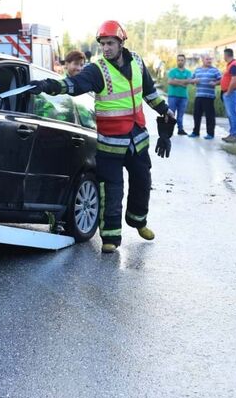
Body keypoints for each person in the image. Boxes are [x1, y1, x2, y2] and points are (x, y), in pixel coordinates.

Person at [27, 20, 175, 254]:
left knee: (142, 182)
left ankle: (139, 222)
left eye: (110, 43)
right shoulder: (97, 70)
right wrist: (48, 85)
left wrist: (165, 111)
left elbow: (149, 93)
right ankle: (111, 237)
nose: (105, 48)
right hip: (110, 143)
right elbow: (74, 85)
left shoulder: (137, 61)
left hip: (137, 139)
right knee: (111, 190)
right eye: (103, 44)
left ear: (121, 43)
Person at [189, 54, 222, 139]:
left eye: (210, 59)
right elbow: (191, 80)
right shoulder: (197, 70)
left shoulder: (215, 70)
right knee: (196, 115)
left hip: (209, 97)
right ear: (202, 60)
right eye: (207, 59)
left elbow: (221, 80)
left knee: (209, 116)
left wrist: (215, 83)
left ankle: (210, 134)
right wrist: (194, 81)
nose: (209, 61)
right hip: (199, 95)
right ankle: (195, 132)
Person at [165, 54, 193, 135]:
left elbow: (189, 81)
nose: (180, 62)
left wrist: (176, 80)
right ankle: (169, 130)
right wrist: (182, 83)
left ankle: (180, 129)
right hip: (172, 96)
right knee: (171, 113)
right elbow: (170, 81)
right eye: (179, 60)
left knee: (181, 115)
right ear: (177, 61)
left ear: (185, 61)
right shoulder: (172, 71)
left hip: (183, 96)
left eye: (182, 60)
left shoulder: (188, 72)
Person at [220, 47, 236, 143]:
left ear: (226, 55)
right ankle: (232, 134)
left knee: (232, 114)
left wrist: (228, 92)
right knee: (230, 115)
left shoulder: (233, 65)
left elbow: (234, 80)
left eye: (224, 55)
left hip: (231, 93)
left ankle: (235, 135)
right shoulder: (230, 65)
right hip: (229, 93)